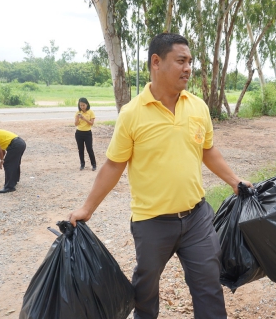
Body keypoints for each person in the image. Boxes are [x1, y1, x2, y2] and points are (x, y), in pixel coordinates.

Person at [67, 33, 252, 319]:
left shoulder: (198, 107)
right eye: (181, 61)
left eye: (190, 61)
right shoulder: (132, 114)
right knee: (145, 290)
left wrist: (235, 181)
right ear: (156, 62)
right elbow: (113, 166)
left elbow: (208, 150)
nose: (188, 67)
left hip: (197, 218)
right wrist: (87, 208)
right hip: (151, 222)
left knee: (208, 287)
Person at [75, 97, 97, 171]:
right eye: (81, 105)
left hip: (87, 133)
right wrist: (78, 118)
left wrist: (84, 118)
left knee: (89, 149)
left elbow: (91, 123)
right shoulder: (78, 112)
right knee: (80, 149)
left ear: (87, 104)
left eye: (83, 105)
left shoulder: (91, 112)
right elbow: (76, 124)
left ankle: (93, 164)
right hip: (79, 133)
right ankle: (82, 164)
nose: (82, 107)